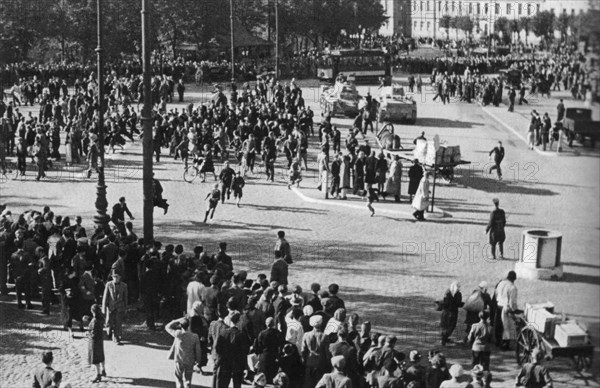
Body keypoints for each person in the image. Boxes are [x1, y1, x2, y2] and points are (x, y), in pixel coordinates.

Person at [214, 311, 249, 388]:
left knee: (223, 384)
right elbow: (244, 351)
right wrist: (245, 366)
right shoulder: (241, 334)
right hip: (237, 364)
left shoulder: (223, 332)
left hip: (225, 363)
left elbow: (218, 348)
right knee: (237, 385)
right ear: (239, 321)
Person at [166, 317, 202, 388]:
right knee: (188, 380)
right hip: (190, 361)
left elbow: (167, 327)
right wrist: (198, 361)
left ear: (180, 326)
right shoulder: (195, 336)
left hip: (179, 360)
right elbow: (198, 350)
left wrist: (177, 320)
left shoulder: (178, 334)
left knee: (178, 378)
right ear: (189, 326)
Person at [302, 315, 331, 388]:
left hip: (309, 361)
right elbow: (327, 353)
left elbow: (303, 350)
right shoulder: (325, 336)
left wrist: (304, 360)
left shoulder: (306, 335)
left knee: (309, 383)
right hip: (321, 362)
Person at [494, 271, 518, 351]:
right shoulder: (512, 287)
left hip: (498, 305)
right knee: (507, 326)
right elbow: (512, 301)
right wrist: (514, 310)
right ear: (514, 279)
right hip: (506, 308)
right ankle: (505, 344)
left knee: (498, 324)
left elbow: (496, 294)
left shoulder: (501, 283)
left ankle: (497, 341)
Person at [102, 272, 128, 344]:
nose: (115, 278)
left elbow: (125, 297)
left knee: (118, 323)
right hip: (111, 307)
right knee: (110, 322)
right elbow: (105, 296)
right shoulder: (108, 284)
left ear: (120, 277)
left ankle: (116, 338)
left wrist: (125, 307)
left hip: (119, 307)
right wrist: (103, 308)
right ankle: (109, 332)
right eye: (114, 277)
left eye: (117, 277)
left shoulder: (124, 285)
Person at [440, 281, 463, 346]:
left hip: (445, 312)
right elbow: (458, 304)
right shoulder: (458, 294)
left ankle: (444, 338)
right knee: (451, 326)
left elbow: (445, 301)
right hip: (453, 313)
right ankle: (444, 338)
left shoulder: (447, 292)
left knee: (444, 325)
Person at [88, 304, 106, 383]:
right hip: (100, 340)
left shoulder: (95, 320)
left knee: (95, 358)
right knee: (101, 355)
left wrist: (87, 334)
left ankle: (98, 375)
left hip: (94, 341)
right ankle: (103, 370)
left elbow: (93, 333)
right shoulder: (101, 318)